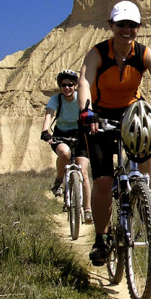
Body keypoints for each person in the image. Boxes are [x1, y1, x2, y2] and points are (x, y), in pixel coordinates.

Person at [77, 0, 151, 266]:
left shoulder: (144, 54)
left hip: (130, 114)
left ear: (138, 28)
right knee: (104, 181)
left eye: (132, 25)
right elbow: (85, 81)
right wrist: (86, 111)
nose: (126, 30)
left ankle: (146, 198)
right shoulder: (97, 53)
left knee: (148, 136)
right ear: (111, 26)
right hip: (98, 116)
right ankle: (101, 238)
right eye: (121, 25)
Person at [41, 70, 93, 224]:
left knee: (83, 172)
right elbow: (49, 115)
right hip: (61, 134)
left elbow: (88, 111)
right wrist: (45, 131)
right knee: (64, 153)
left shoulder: (80, 98)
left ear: (75, 85)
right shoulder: (56, 99)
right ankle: (58, 181)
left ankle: (88, 210)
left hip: (80, 134)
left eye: (70, 85)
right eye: (63, 85)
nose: (67, 88)